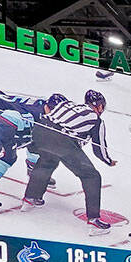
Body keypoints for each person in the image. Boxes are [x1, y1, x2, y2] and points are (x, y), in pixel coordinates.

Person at [19, 91, 116, 231]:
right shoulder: (96, 119)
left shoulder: (67, 104)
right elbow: (99, 148)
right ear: (100, 107)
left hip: (40, 130)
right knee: (92, 176)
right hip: (61, 139)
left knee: (48, 160)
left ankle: (31, 197)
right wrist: (108, 161)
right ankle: (94, 219)